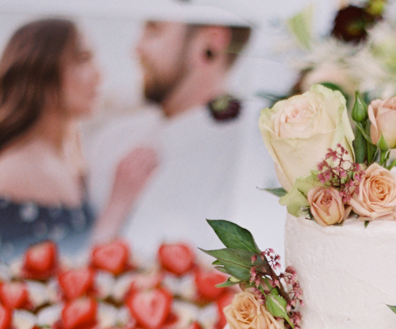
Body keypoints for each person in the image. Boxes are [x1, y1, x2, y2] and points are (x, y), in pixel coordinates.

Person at [85, 20, 252, 261]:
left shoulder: (250, 155)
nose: (136, 49)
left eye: (153, 31)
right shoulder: (113, 138)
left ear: (211, 43)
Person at [0, 18, 156, 263]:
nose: (98, 74)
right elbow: (57, 281)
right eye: (82, 59)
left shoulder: (62, 161)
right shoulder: (16, 168)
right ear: (43, 72)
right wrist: (117, 205)